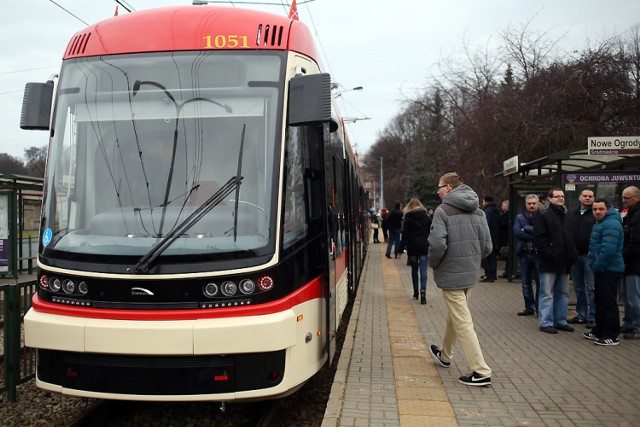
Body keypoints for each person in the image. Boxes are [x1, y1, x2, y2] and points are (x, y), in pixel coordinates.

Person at [428, 172, 493, 387]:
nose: (437, 191)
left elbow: (437, 245)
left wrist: (435, 263)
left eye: (439, 186)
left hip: (450, 273)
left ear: (448, 188)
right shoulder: (479, 212)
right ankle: (446, 355)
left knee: (463, 322)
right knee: (457, 315)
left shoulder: (442, 211)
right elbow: (488, 247)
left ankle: (481, 371)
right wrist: (472, 261)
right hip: (469, 274)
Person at [534, 188, 578, 334]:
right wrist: (549, 254)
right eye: (557, 196)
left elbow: (571, 237)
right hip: (550, 262)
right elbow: (540, 239)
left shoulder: (566, 215)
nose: (560, 198)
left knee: (563, 293)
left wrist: (572, 254)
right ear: (549, 198)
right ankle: (546, 322)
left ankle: (561, 320)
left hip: (564, 261)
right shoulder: (544, 216)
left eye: (562, 196)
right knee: (547, 293)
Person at [582, 198, 624, 346]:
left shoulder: (611, 223)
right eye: (595, 209)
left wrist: (597, 264)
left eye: (601, 209)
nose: (597, 212)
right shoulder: (600, 223)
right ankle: (599, 330)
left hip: (609, 270)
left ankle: (612, 336)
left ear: (608, 209)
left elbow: (608, 250)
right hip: (601, 268)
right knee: (599, 301)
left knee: (608, 303)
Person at [567, 188, 596, 327]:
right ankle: (581, 314)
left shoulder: (596, 213)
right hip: (575, 255)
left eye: (590, 196)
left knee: (592, 287)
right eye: (585, 196)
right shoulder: (573, 213)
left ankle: (593, 316)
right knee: (579, 287)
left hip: (589, 255)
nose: (587, 198)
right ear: (579, 197)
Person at [399, 198, 431, 304]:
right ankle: (423, 294)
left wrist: (400, 250)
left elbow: (405, 235)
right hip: (424, 246)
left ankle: (415, 292)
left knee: (414, 270)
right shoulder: (427, 217)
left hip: (412, 247)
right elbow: (431, 232)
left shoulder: (408, 217)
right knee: (423, 271)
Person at [513, 194, 541, 316]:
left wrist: (527, 229)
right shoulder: (520, 217)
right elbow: (517, 232)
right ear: (526, 204)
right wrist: (533, 234)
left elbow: (541, 233)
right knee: (525, 283)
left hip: (538, 254)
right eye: (529, 203)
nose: (532, 205)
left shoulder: (542, 216)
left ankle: (539, 307)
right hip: (524, 253)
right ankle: (529, 307)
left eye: (534, 203)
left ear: (538, 204)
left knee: (540, 282)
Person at [621, 186, 640, 340]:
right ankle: (628, 323)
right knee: (626, 296)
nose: (624, 201)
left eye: (627, 198)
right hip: (629, 263)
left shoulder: (637, 216)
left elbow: (635, 242)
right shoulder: (630, 213)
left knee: (634, 297)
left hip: (635, 263)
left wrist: (623, 256)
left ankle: (637, 327)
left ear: (636, 197)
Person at [480, 195, 499, 282]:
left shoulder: (487, 211)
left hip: (488, 237)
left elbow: (485, 224)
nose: (482, 203)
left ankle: (489, 275)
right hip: (495, 236)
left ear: (486, 202)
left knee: (485, 257)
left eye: (483, 201)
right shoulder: (496, 211)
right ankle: (493, 274)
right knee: (493, 257)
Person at [498, 200, 510, 278]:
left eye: (503, 205)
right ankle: (507, 271)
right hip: (504, 237)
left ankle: (508, 272)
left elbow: (503, 224)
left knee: (507, 254)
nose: (501, 207)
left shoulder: (508, 215)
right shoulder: (504, 214)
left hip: (506, 237)